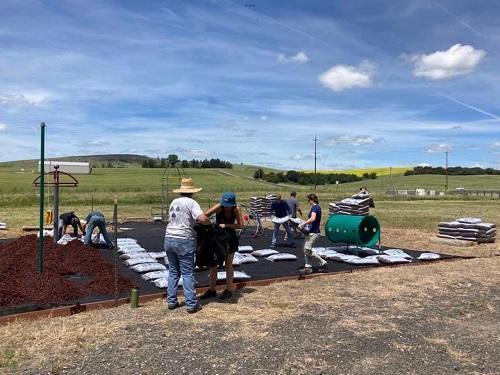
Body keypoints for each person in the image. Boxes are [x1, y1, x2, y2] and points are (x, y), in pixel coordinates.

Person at [164, 178, 211, 314]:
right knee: (187, 273)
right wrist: (209, 224)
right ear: (192, 192)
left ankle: (171, 301)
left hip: (169, 238)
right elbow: (202, 218)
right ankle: (191, 304)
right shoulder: (192, 203)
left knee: (173, 271)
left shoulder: (174, 202)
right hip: (184, 239)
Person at [200, 192, 243, 300]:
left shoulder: (236, 209)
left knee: (228, 264)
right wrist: (211, 225)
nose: (227, 208)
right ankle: (212, 290)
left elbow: (240, 225)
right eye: (225, 205)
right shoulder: (218, 207)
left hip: (230, 239)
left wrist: (227, 225)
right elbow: (204, 216)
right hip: (218, 240)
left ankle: (228, 290)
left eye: (229, 206)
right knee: (213, 264)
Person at [298, 193, 327, 274]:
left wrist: (303, 224)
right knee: (305, 249)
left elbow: (313, 218)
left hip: (314, 232)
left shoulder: (315, 208)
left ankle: (323, 262)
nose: (308, 202)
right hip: (311, 231)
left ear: (312, 200)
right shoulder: (318, 207)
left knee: (307, 249)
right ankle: (308, 267)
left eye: (308, 200)